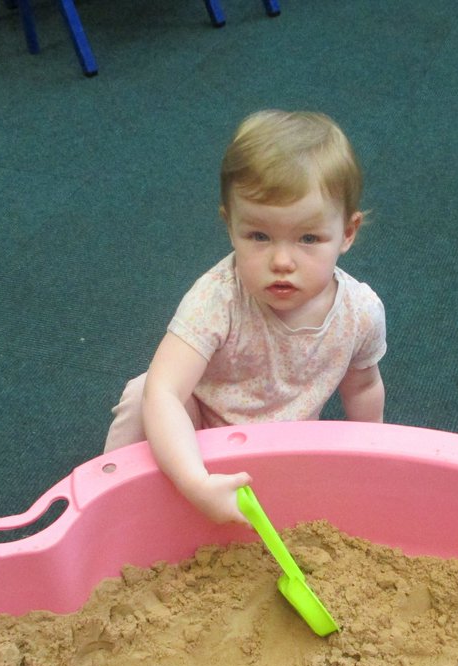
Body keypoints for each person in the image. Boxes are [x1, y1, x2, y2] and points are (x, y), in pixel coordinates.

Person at [104, 110, 386, 524]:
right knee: (142, 394)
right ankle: (114, 503)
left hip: (287, 443)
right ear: (230, 226)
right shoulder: (216, 300)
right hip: (198, 437)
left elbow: (363, 386)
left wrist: (372, 459)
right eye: (258, 236)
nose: (282, 261)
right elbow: (164, 391)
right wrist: (195, 481)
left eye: (309, 238)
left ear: (347, 232)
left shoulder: (360, 312)